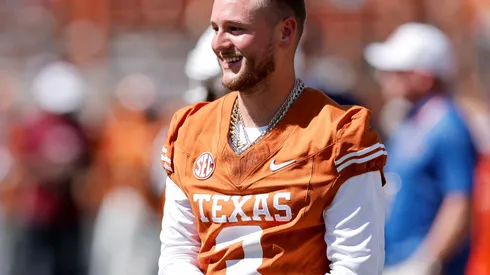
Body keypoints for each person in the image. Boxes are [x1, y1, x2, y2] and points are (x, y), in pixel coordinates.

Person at [158, 0, 387, 274]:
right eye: (215, 28)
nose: (217, 43)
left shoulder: (339, 136)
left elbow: (356, 267)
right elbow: (177, 253)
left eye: (235, 29)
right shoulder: (190, 130)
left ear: (285, 32)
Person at [364, 23, 477, 275]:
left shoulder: (448, 127)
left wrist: (426, 262)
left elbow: (460, 201)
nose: (385, 77)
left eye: (397, 71)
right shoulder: (412, 121)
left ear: (424, 77)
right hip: (395, 261)